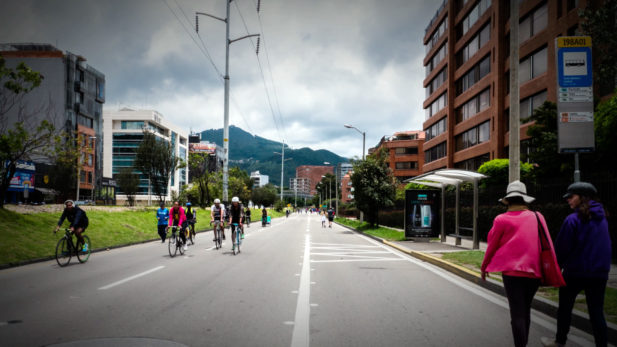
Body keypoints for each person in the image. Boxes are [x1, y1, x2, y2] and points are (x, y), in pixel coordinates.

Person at [481, 180, 557, 347]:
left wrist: (484, 266)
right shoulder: (538, 217)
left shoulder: (501, 219)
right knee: (526, 310)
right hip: (534, 273)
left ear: (507, 201)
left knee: (517, 314)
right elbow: (548, 244)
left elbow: (491, 245)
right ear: (525, 199)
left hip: (512, 274)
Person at [541, 182, 611, 347]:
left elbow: (562, 248)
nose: (568, 200)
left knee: (565, 308)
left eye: (571, 197)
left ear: (582, 197)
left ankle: (559, 342)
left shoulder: (572, 220)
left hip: (575, 271)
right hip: (599, 273)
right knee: (596, 312)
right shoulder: (603, 218)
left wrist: (554, 269)